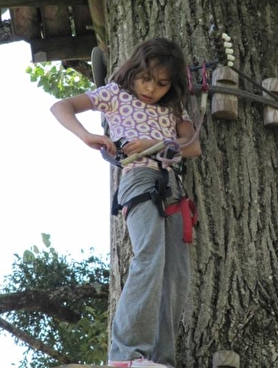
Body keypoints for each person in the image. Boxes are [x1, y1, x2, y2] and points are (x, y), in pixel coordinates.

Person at [50, 37, 202, 368]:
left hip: (173, 188)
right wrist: (87, 135)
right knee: (149, 255)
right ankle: (127, 354)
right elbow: (61, 106)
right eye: (146, 78)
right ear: (133, 71)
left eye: (162, 83)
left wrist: (154, 141)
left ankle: (160, 359)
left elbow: (192, 146)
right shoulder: (115, 95)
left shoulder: (174, 108)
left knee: (176, 274)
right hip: (139, 180)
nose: (151, 88)